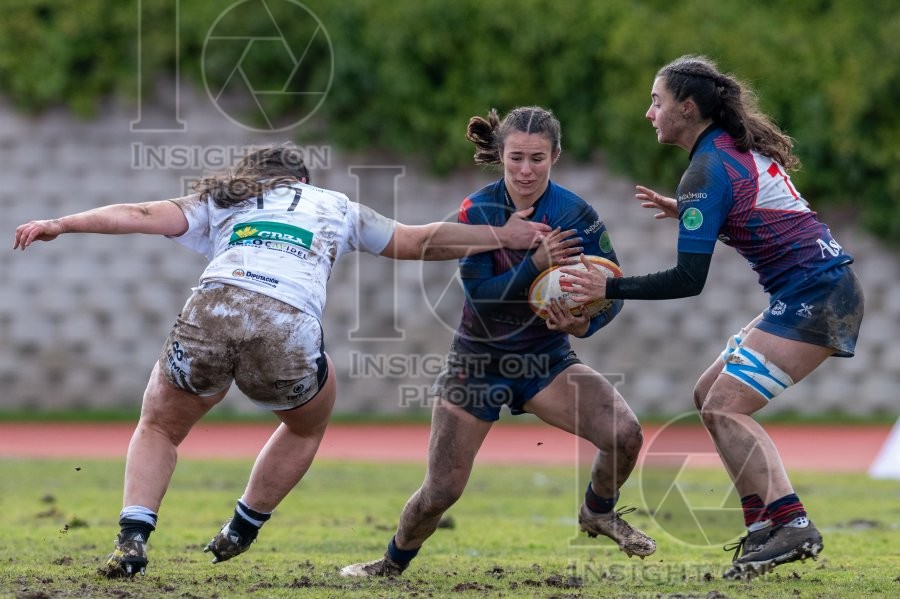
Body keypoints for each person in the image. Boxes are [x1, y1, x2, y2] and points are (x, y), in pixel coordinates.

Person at [12, 141, 552, 578]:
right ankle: (242, 528)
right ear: (303, 182)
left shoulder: (223, 198)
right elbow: (418, 240)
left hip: (213, 306)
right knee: (305, 425)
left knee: (159, 424)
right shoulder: (336, 205)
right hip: (287, 325)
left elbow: (137, 213)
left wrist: (62, 222)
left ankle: (133, 537)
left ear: (252, 175)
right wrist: (502, 234)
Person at [559, 55, 864, 580]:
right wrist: (690, 210)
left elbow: (687, 281)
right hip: (813, 289)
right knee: (708, 395)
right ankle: (763, 524)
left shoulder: (706, 169)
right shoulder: (722, 154)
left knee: (727, 406)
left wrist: (605, 286)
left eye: (657, 101)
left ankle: (793, 522)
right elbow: (751, 206)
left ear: (688, 107)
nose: (649, 112)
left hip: (817, 294)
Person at [340, 106, 656, 578]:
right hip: (478, 363)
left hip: (545, 361)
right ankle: (391, 563)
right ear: (501, 156)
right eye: (516, 159)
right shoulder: (479, 211)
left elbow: (614, 293)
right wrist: (535, 263)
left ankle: (597, 510)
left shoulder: (575, 214)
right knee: (441, 491)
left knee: (625, 434)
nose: (525, 171)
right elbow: (483, 299)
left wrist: (581, 325)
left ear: (555, 157)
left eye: (537, 159)